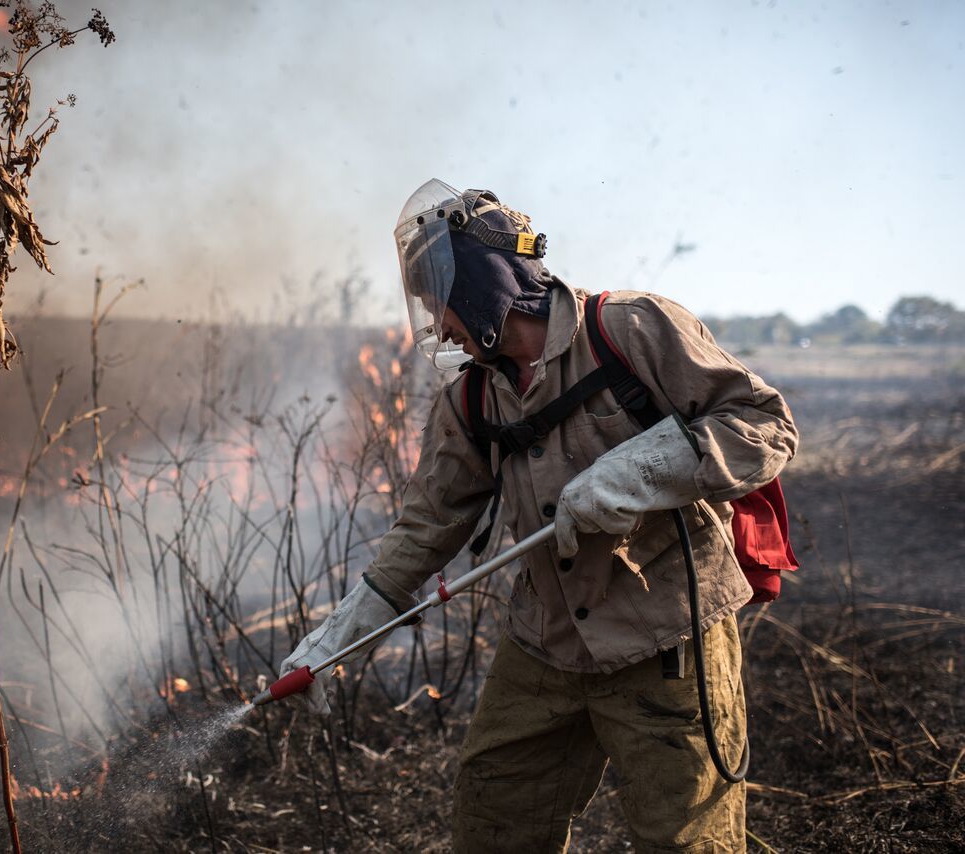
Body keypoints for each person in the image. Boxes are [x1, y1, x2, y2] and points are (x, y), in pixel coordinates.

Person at [279, 179, 799, 852]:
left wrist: (640, 471)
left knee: (686, 839)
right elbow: (428, 523)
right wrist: (344, 635)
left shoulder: (631, 330)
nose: (439, 327)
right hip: (544, 644)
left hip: (665, 639)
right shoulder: (471, 399)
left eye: (442, 304)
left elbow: (765, 426)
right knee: (495, 821)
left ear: (481, 288)